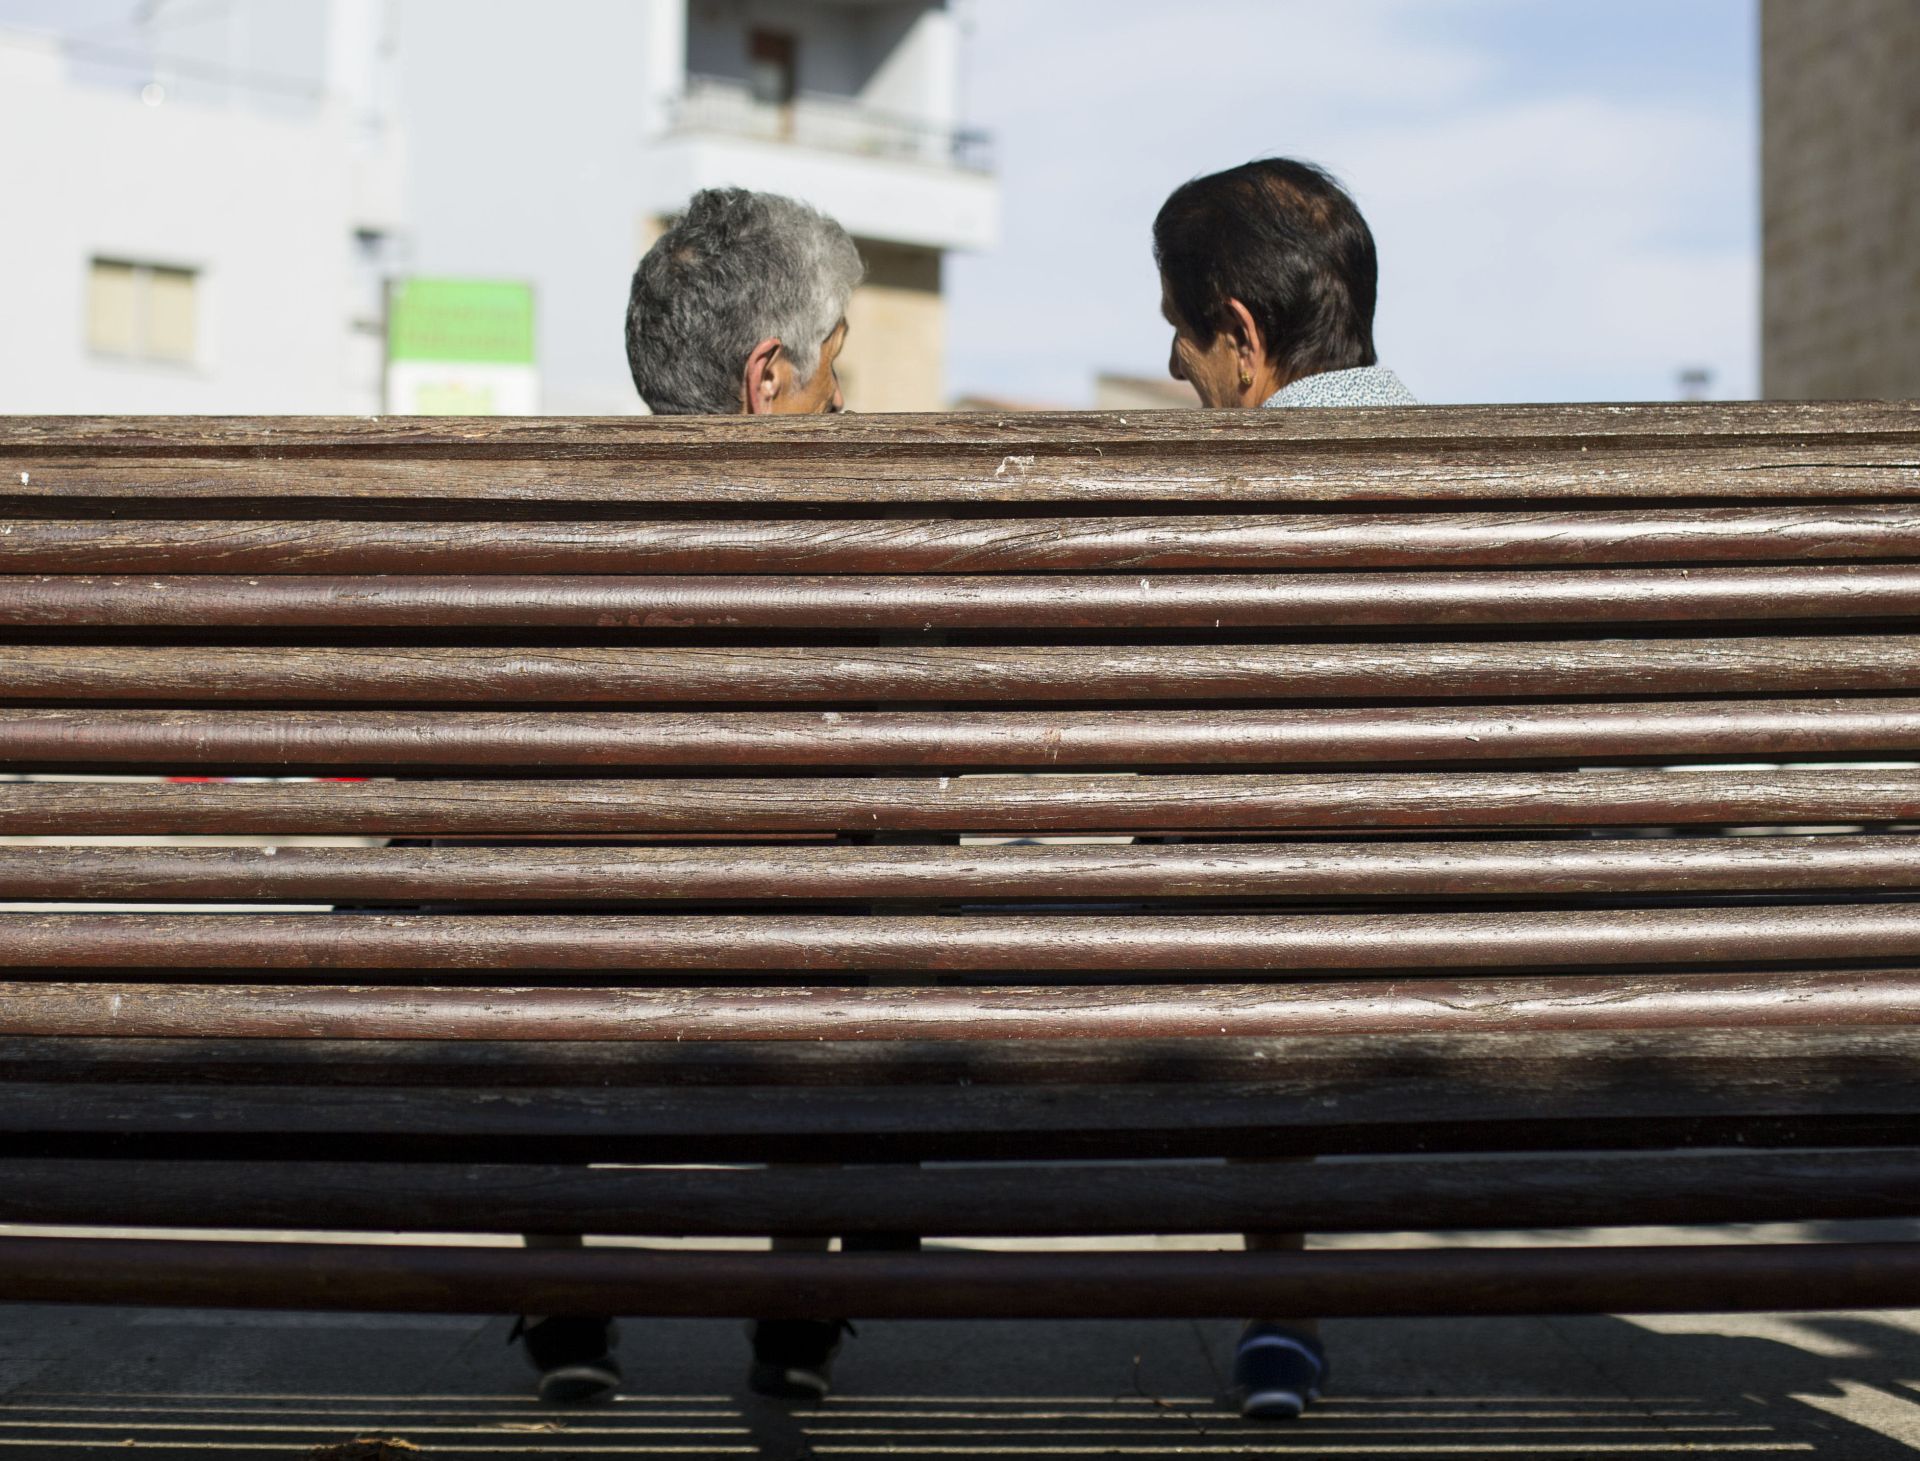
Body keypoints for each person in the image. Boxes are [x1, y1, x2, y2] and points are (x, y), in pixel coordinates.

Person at [516, 186, 863, 1407]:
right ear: (767, 378)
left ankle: (565, 1295)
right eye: (835, 370)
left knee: (527, 936)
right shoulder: (852, 581)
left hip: (572, 993)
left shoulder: (547, 564)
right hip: (795, 981)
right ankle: (799, 1303)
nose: (847, 401)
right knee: (851, 925)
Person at [1150, 157, 1416, 1422]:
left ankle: (1286, 1308)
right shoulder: (1489, 481)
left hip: (1283, 989)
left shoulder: (1230, 525)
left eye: (1179, 334)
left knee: (1256, 922)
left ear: (1243, 340)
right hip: (1517, 975)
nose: (1174, 371)